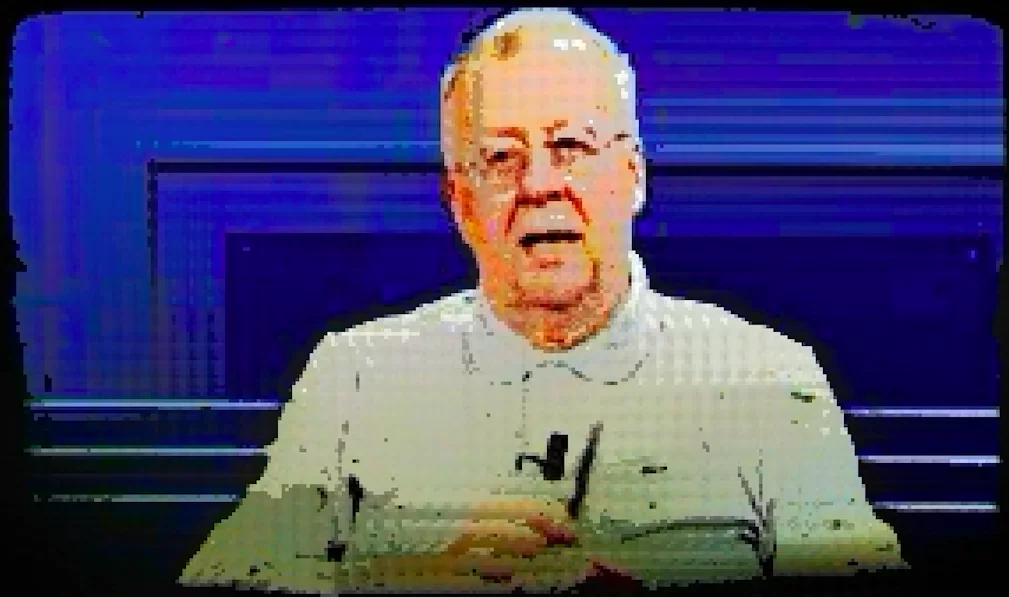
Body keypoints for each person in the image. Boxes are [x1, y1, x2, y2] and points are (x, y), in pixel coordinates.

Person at [179, 8, 908, 593]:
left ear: (632, 176)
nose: (538, 186)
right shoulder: (356, 375)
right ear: (460, 201)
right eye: (501, 158)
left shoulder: (765, 379)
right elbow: (225, 579)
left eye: (570, 148)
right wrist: (398, 580)